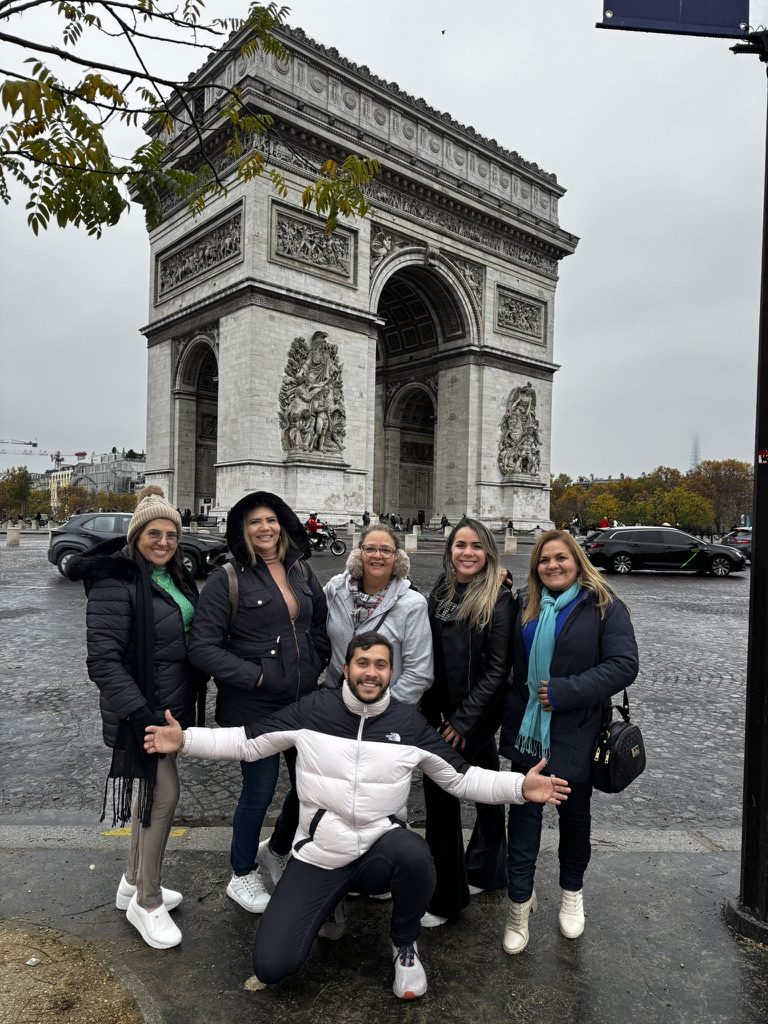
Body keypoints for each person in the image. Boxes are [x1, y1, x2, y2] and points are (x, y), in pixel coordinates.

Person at [145, 633, 570, 1000]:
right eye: (362, 663)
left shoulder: (410, 723)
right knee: (273, 967)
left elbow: (461, 779)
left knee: (415, 855)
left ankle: (404, 943)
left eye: (381, 665)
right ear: (346, 667)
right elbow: (248, 742)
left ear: (391, 673)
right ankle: (328, 906)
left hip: (378, 852)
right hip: (319, 855)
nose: (371, 672)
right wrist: (185, 740)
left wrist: (519, 787)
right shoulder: (313, 710)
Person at [67, 485, 205, 950]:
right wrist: (144, 713)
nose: (163, 541)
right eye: (153, 533)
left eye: (170, 533)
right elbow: (102, 661)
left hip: (167, 707)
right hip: (139, 712)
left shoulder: (174, 577)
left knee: (150, 795)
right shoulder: (116, 580)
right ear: (136, 536)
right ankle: (146, 902)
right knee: (163, 798)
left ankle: (131, 879)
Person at [188, 491, 330, 914]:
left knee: (310, 786)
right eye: (254, 523)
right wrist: (258, 675)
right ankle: (241, 872)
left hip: (302, 700)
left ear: (283, 525)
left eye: (270, 520)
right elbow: (202, 647)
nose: (264, 528)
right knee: (259, 791)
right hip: (255, 706)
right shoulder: (226, 579)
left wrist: (317, 659)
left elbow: (319, 623)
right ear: (243, 531)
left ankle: (279, 849)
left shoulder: (302, 571)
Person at [500, 530, 638, 955]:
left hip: (576, 730)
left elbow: (623, 666)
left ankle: (571, 892)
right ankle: (519, 904)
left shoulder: (604, 604)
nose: (553, 565)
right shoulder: (522, 602)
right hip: (527, 729)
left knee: (575, 819)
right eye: (545, 560)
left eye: (561, 558)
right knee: (522, 821)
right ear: (535, 566)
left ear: (577, 561)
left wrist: (565, 691)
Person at [419, 517, 516, 926]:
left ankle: (445, 897)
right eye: (461, 545)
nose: (468, 553)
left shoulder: (499, 597)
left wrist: (462, 722)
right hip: (442, 711)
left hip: (472, 714)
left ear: (489, 551)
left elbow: (498, 670)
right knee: (488, 788)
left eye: (477, 546)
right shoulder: (440, 589)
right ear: (450, 550)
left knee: (441, 797)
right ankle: (488, 869)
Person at [323, 523, 433, 705]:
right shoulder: (336, 588)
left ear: (397, 558)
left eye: (385, 550)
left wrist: (383, 711)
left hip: (386, 708)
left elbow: (419, 673)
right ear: (358, 554)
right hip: (335, 701)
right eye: (370, 548)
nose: (377, 555)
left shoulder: (413, 604)